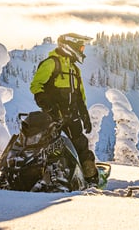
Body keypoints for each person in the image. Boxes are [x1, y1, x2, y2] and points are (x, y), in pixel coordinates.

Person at [30, 33, 99, 186]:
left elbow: (79, 95)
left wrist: (84, 115)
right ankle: (41, 178)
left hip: (71, 117)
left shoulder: (74, 69)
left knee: (81, 146)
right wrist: (50, 108)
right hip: (52, 117)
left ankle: (90, 180)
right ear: (70, 45)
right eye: (81, 47)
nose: (82, 50)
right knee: (47, 148)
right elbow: (36, 87)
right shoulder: (51, 63)